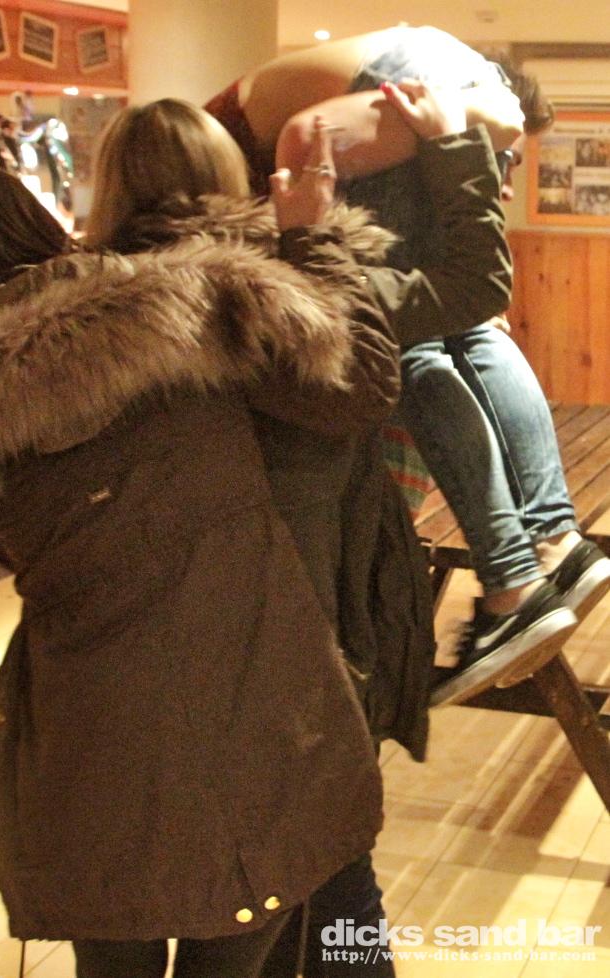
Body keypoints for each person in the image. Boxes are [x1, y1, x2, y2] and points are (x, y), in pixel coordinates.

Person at [83, 92, 520, 977]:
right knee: (283, 904)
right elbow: (474, 284)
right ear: (231, 176)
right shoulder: (296, 295)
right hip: (293, 648)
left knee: (127, 918)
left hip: (118, 664)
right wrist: (449, 150)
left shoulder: (70, 313)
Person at [206, 26, 610, 706]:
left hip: (405, 86)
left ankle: (512, 580)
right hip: (430, 83)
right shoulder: (465, 81)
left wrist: (300, 228)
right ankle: (553, 537)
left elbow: (303, 138)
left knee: (408, 336)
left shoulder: (213, 136)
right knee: (463, 323)